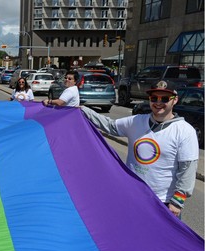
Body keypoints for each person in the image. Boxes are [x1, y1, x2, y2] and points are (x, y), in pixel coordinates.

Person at [80, 80, 199, 218]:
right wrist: (83, 110)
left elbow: (187, 169)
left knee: (158, 240)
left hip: (163, 203)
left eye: (165, 98)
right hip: (132, 196)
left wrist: (177, 202)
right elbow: (110, 126)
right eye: (154, 98)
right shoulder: (136, 121)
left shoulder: (185, 131)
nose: (158, 102)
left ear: (175, 100)